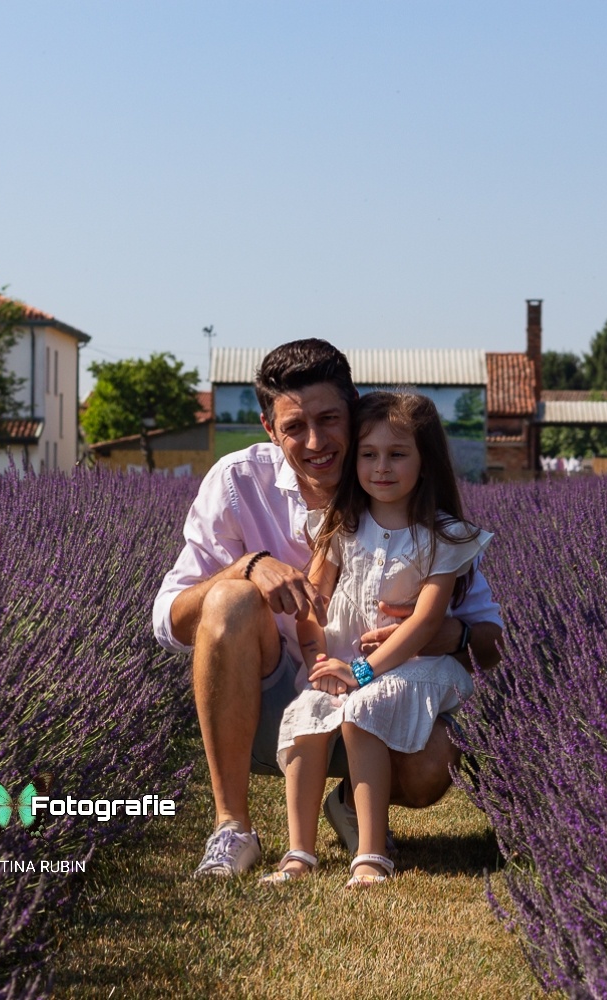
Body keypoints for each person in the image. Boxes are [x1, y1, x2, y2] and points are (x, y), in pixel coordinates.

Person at [151, 340, 504, 877]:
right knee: (229, 596)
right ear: (270, 429)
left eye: (329, 419)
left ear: (354, 410)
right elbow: (169, 621)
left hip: (380, 692)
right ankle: (233, 828)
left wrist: (444, 634)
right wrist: (246, 567)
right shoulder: (237, 482)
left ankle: (350, 805)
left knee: (435, 765)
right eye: (294, 427)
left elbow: (491, 643)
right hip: (272, 699)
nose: (316, 442)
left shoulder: (409, 501)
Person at [259, 391, 492, 888]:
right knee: (306, 714)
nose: (381, 468)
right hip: (346, 664)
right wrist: (317, 658)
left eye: (397, 454)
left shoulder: (443, 536)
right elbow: (310, 604)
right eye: (368, 454)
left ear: (425, 462)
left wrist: (363, 672)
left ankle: (369, 853)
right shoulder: (341, 525)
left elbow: (426, 624)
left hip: (414, 666)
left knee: (366, 710)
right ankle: (298, 852)